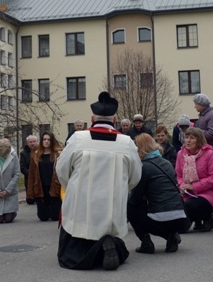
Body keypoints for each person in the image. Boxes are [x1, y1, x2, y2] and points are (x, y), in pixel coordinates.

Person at [56, 92, 142, 271]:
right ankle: (109, 243)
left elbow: (62, 169)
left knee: (75, 239)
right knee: (109, 228)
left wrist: (71, 187)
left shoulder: (78, 139)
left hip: (81, 201)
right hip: (112, 202)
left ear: (92, 118)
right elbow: (135, 176)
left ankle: (89, 253)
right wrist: (121, 188)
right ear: (115, 119)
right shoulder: (126, 142)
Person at [128, 133, 189, 254]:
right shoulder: (166, 163)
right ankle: (171, 236)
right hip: (181, 218)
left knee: (130, 206)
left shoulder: (143, 167)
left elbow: (135, 199)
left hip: (160, 219)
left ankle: (146, 242)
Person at [175, 127, 213, 232]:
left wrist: (194, 186)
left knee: (190, 206)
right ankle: (194, 220)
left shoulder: (208, 154)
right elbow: (178, 175)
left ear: (199, 140)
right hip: (187, 193)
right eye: (186, 137)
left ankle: (206, 217)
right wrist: (182, 185)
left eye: (192, 138)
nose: (188, 141)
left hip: (207, 193)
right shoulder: (180, 154)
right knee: (179, 225)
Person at [192, 93, 213, 215]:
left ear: (202, 104)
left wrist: (197, 132)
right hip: (208, 151)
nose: (195, 107)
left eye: (196, 104)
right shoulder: (204, 115)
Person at [27, 132, 62, 222]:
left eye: (48, 140)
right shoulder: (36, 155)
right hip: (40, 187)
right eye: (44, 139)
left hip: (54, 187)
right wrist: (30, 193)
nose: (46, 141)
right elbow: (31, 175)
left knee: (55, 217)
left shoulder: (58, 154)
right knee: (43, 217)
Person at [0, 138, 20, 224]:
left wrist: (8, 190)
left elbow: (17, 174)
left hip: (9, 193)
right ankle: (1, 213)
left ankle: (13, 212)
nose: (3, 156)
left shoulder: (14, 155)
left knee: (8, 219)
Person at [20, 135, 38, 205]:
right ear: (27, 143)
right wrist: (31, 174)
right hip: (29, 178)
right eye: (30, 142)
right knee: (30, 201)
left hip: (39, 178)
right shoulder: (23, 154)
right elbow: (22, 168)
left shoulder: (40, 152)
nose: (32, 143)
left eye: (34, 141)